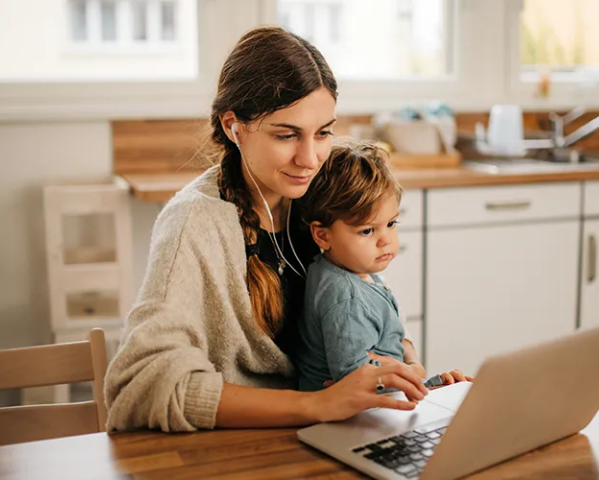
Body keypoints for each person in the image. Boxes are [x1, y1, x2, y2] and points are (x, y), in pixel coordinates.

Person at [104, 26, 460, 433]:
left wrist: (415, 374)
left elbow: (362, 318)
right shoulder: (195, 222)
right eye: (287, 135)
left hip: (332, 431)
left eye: (323, 132)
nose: (310, 158)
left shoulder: (320, 191)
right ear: (234, 126)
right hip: (242, 448)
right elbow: (143, 383)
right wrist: (318, 405)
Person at [295, 142, 469, 392]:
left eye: (391, 223)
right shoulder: (346, 297)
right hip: (357, 416)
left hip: (382, 400)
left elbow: (387, 346)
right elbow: (354, 378)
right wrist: (418, 378)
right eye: (367, 230)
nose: (385, 239)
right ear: (322, 236)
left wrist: (415, 369)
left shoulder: (353, 272)